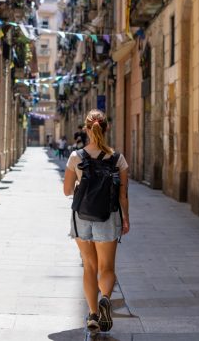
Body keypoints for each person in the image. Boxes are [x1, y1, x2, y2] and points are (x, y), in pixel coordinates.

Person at [63, 109, 129, 335]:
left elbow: (66, 191)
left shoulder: (76, 157)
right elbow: (123, 195)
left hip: (82, 217)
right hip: (108, 216)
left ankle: (92, 314)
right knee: (107, 267)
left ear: (86, 129)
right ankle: (106, 300)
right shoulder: (118, 159)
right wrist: (126, 219)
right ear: (106, 129)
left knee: (89, 267)